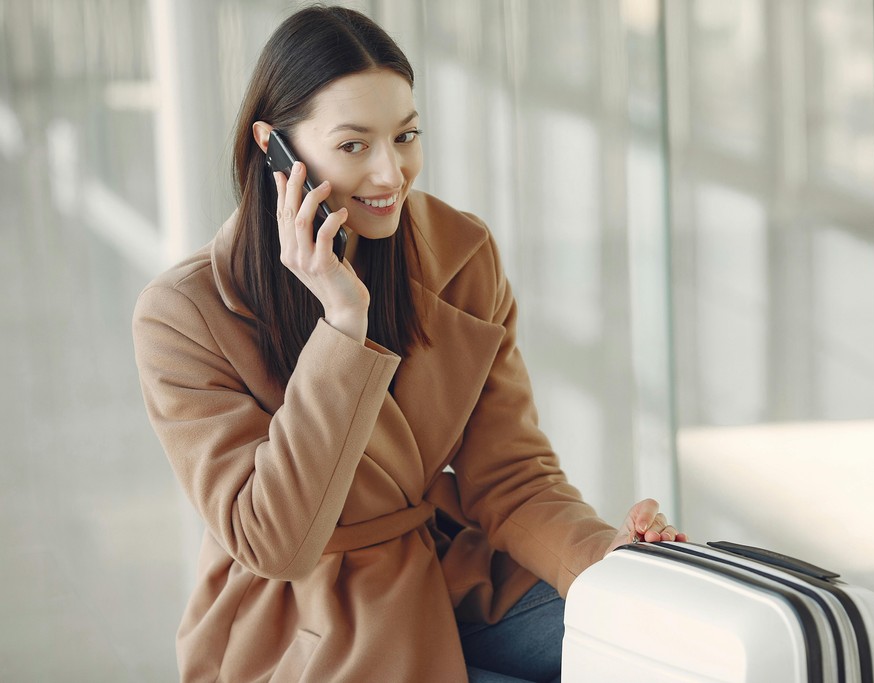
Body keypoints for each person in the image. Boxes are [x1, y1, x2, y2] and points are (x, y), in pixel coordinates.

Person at [132, 6, 685, 682]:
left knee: (673, 647)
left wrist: (612, 561)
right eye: (354, 145)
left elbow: (509, 478)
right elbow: (276, 540)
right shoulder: (182, 315)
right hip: (302, 623)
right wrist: (341, 321)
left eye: (406, 135)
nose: (391, 175)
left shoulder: (460, 252)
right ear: (274, 149)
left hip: (453, 576)